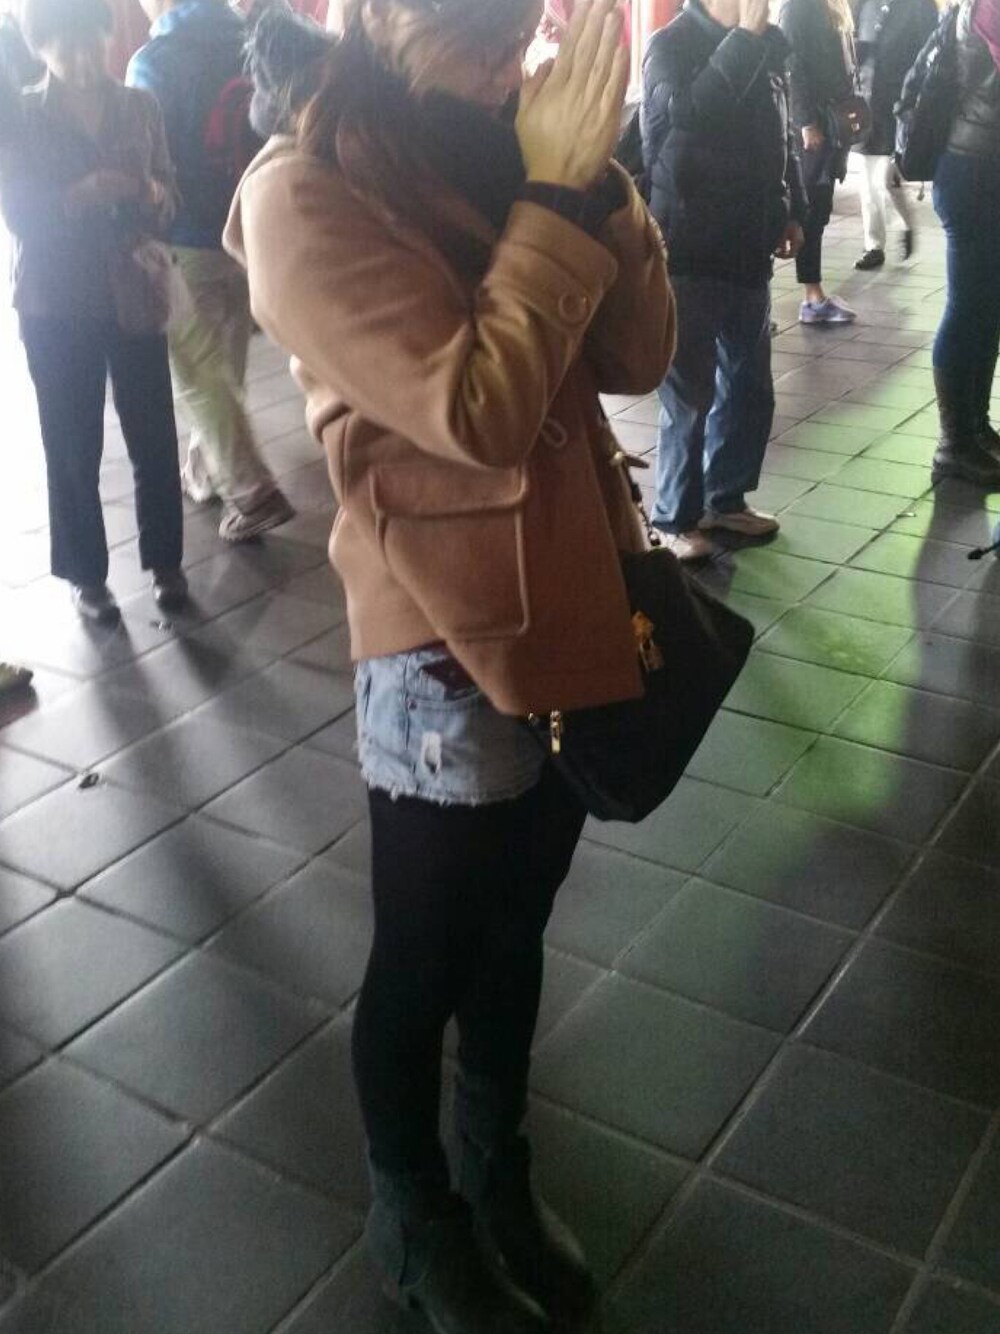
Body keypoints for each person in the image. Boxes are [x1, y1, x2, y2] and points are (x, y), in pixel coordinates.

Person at [224, 0, 674, 1328]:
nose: (498, 61)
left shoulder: (503, 145)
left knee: (517, 920)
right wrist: (551, 192)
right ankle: (413, 1209)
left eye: (514, 26)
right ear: (379, 15)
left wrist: (596, 177)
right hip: (437, 635)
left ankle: (494, 1161)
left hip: (569, 601)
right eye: (468, 30)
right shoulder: (303, 193)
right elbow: (474, 410)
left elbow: (638, 353)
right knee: (425, 954)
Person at [0, 0, 186, 625]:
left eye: (92, 43)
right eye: (66, 47)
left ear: (109, 35)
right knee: (71, 441)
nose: (83, 60)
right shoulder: (22, 114)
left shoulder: (139, 106)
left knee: (153, 432)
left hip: (133, 289)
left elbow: (171, 192)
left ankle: (166, 561)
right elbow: (18, 214)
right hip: (55, 301)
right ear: (40, 48)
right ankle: (86, 575)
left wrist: (152, 193)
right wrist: (80, 196)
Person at [641, 0, 806, 561]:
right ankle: (674, 517)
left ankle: (725, 499)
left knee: (749, 385)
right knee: (689, 393)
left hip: (748, 247)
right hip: (689, 248)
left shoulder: (766, 45)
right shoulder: (670, 46)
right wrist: (743, 43)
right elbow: (689, 117)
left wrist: (793, 209)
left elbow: (781, 136)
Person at [128, 0, 295, 542]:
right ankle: (206, 473)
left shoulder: (155, 60)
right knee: (224, 359)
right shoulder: (250, 37)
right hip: (249, 228)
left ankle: (252, 490)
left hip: (187, 237)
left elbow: (142, 156)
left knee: (198, 370)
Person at [930, 0, 1000, 487]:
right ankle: (954, 444)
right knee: (968, 305)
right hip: (973, 170)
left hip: (983, 168)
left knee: (986, 307)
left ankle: (975, 426)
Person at [780, 0, 859, 323]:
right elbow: (792, 67)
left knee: (819, 208)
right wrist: (806, 122)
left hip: (831, 123)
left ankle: (813, 294)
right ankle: (810, 296)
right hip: (814, 127)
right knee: (808, 209)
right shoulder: (797, 8)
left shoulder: (829, 7)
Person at [853, 0, 936, 270]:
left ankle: (907, 223)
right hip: (868, 100)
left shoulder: (919, 6)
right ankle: (873, 246)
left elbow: (929, 55)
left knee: (887, 178)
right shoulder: (864, 4)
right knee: (868, 180)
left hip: (898, 104)